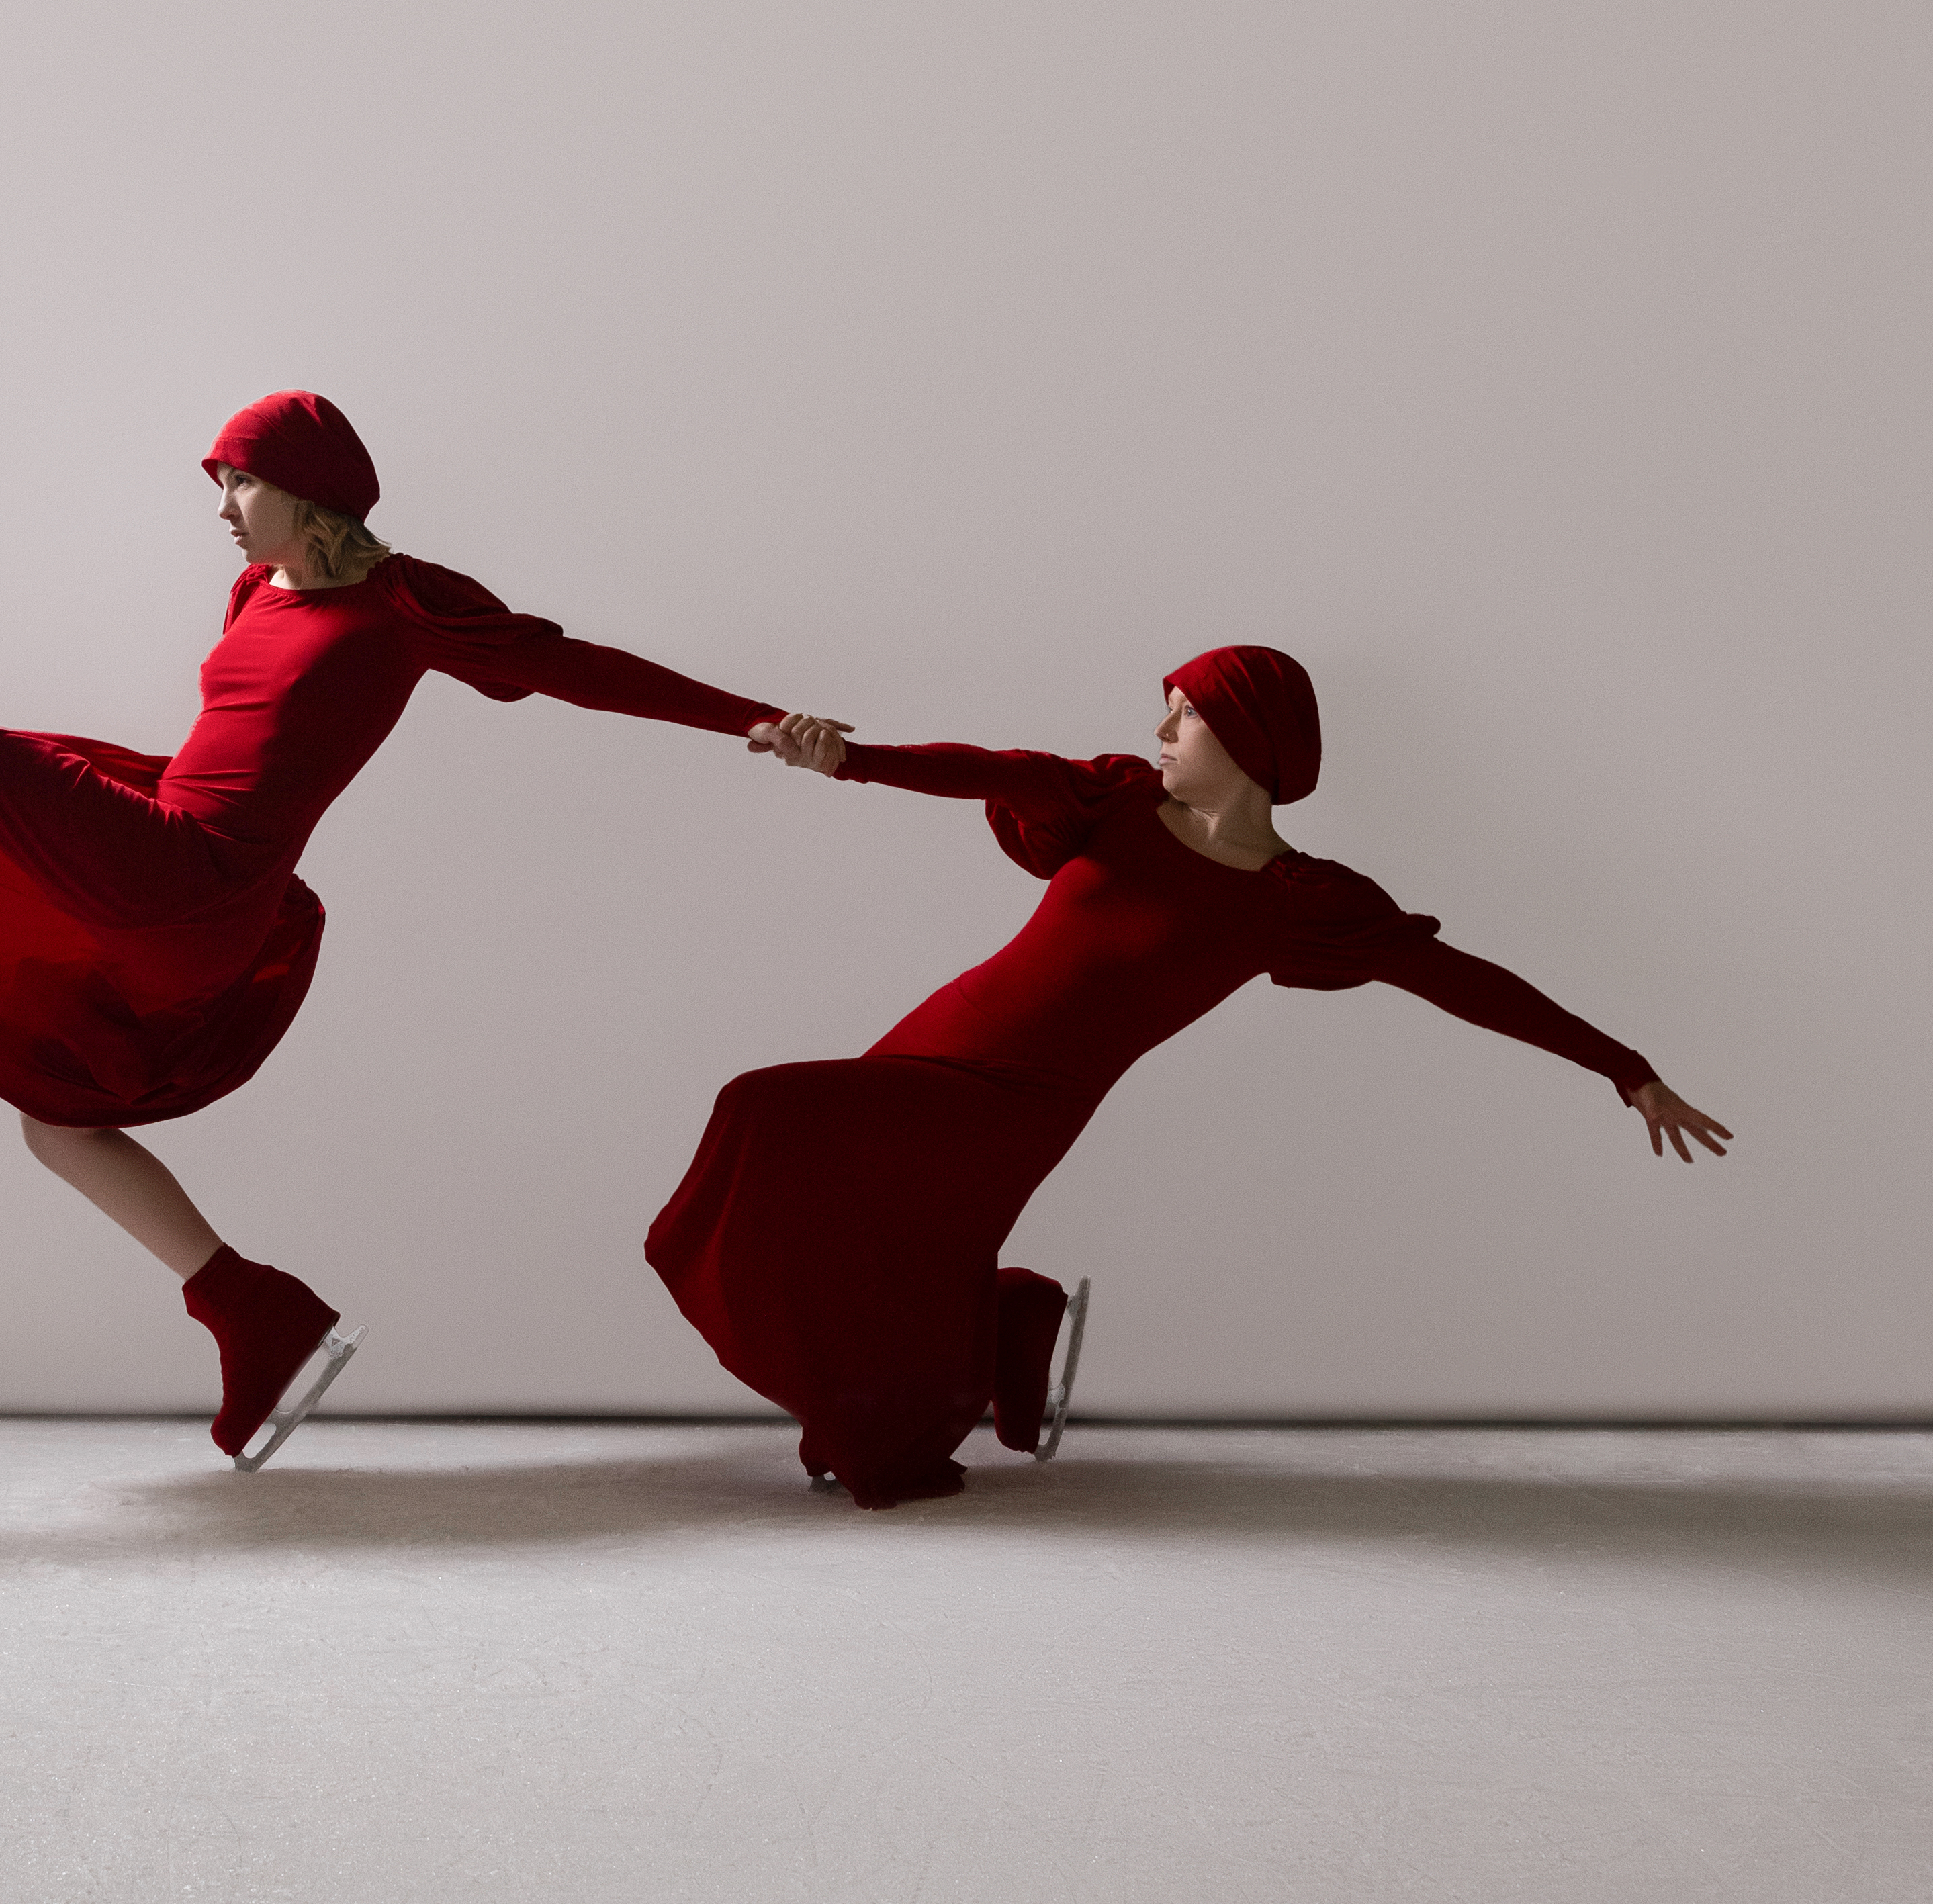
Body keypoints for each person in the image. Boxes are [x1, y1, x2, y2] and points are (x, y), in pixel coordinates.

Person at [0, 394, 784, 1461]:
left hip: (197, 880)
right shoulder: (258, 586)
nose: (222, 506)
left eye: (238, 481)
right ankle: (254, 1312)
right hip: (166, 853)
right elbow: (231, 742)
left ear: (308, 494)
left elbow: (583, 668)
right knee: (57, 1117)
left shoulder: (407, 606)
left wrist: (760, 723)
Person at [647, 644, 1732, 1509]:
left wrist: (1624, 1071)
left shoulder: (1297, 902)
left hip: (1021, 1104)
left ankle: (975, 1347)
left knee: (765, 1112)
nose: (1160, 730)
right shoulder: (1111, 800)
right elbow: (979, 768)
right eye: (1162, 709)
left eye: (1186, 713)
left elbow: (1466, 982)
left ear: (1250, 736)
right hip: (929, 1043)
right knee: (871, 1233)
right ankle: (1001, 1328)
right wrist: (848, 758)